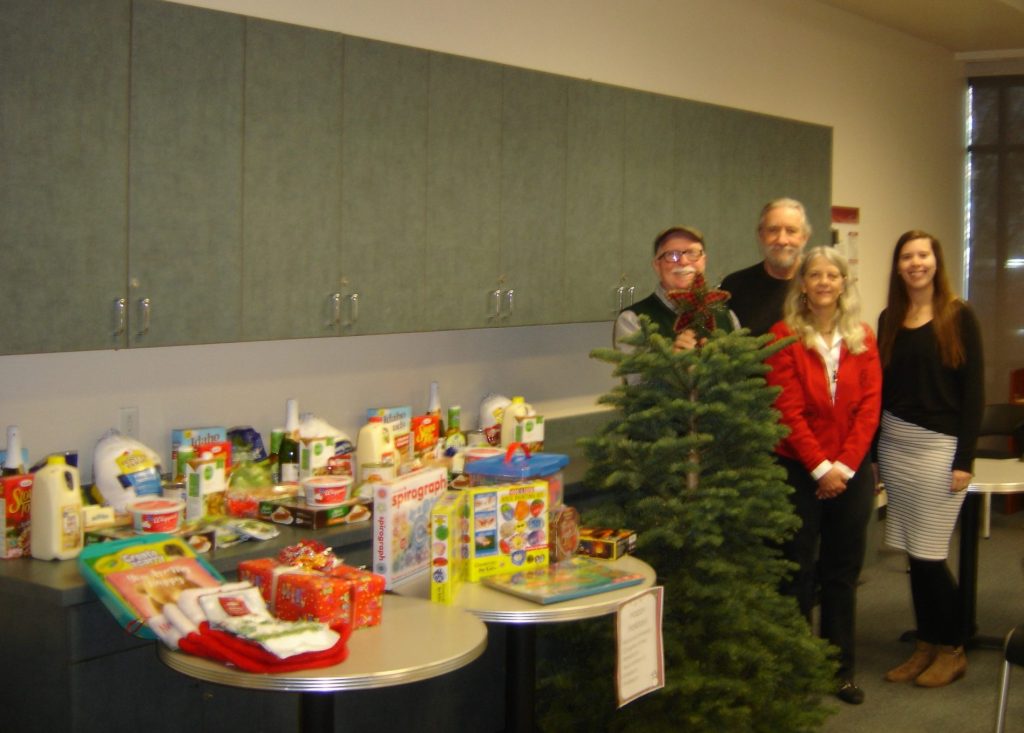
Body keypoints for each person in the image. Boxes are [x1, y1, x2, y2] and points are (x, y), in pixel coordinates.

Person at [764, 246, 881, 705]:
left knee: (841, 573)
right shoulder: (783, 336)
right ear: (803, 284)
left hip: (850, 472)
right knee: (797, 571)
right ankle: (796, 672)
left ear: (843, 283)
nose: (825, 282)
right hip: (798, 469)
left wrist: (844, 467)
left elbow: (869, 408)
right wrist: (818, 467)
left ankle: (839, 670)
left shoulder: (862, 337)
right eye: (816, 275)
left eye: (833, 275)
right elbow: (787, 410)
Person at [875, 230, 984, 688]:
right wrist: (874, 453)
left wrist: (964, 459)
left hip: (938, 449)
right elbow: (881, 389)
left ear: (936, 261)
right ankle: (926, 643)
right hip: (894, 445)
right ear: (898, 266)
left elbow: (974, 391)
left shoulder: (958, 315)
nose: (915, 263)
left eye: (923, 255)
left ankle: (953, 648)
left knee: (930, 554)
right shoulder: (890, 317)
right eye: (907, 256)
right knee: (914, 555)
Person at [613, 225, 736, 352]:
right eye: (672, 255)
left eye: (692, 253)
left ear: (704, 261)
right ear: (657, 265)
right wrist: (673, 359)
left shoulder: (727, 316)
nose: (683, 261)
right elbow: (632, 365)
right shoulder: (633, 320)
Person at [720, 198, 811, 336]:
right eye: (773, 230)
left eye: (791, 231)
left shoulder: (819, 287)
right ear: (761, 235)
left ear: (804, 237)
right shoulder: (734, 286)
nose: (782, 240)